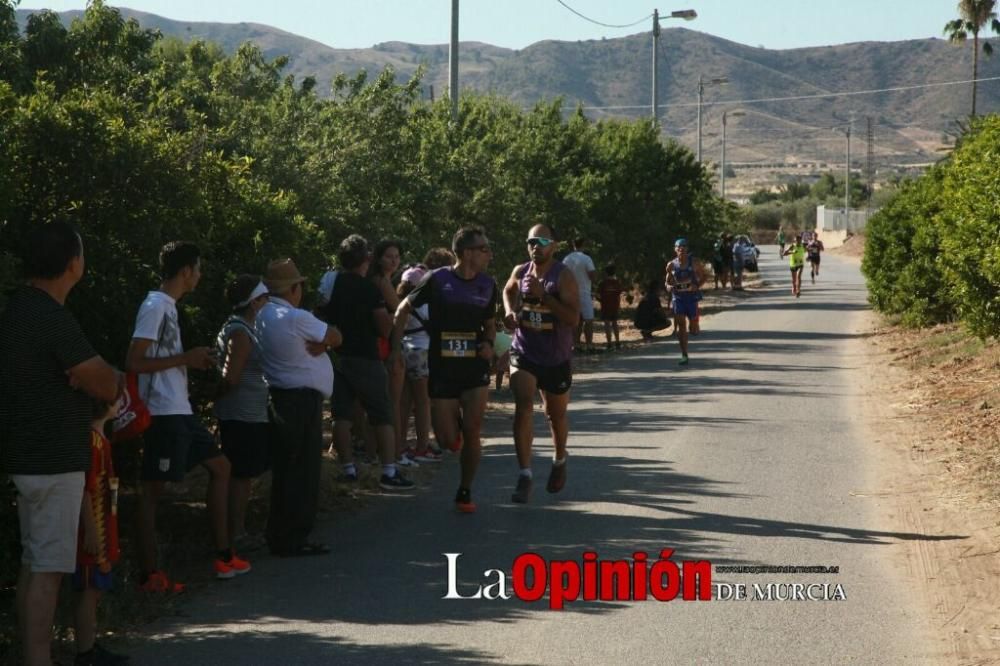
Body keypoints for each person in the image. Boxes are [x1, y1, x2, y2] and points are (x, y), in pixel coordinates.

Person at [0, 221, 121, 666]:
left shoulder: (19, 309)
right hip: (53, 461)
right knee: (48, 570)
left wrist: (89, 376)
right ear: (74, 264)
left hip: (30, 456)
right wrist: (106, 378)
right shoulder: (50, 316)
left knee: (35, 565)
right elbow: (108, 384)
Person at [126, 242, 248, 588]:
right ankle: (150, 575)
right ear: (185, 271)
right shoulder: (154, 306)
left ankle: (224, 556)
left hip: (180, 409)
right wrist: (185, 359)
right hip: (163, 413)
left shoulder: (169, 307)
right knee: (151, 492)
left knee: (221, 467)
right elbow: (133, 362)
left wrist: (193, 359)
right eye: (197, 269)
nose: (200, 275)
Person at [392, 228, 497, 512]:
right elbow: (402, 308)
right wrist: (395, 349)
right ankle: (456, 438)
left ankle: (465, 491)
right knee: (448, 439)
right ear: (466, 253)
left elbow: (489, 323)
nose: (489, 253)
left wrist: (488, 343)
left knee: (474, 430)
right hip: (443, 369)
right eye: (484, 248)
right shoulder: (437, 280)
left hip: (474, 368)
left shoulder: (488, 284)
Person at [257, 258, 343, 556]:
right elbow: (334, 335)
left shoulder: (264, 315)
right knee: (303, 470)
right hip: (301, 399)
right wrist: (328, 343)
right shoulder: (296, 317)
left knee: (287, 468)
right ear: (294, 289)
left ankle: (280, 533)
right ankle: (294, 536)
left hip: (280, 396)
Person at [322, 235, 414, 490]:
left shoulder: (333, 283)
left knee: (341, 414)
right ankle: (388, 471)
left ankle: (348, 469)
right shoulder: (369, 289)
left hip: (339, 355)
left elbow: (322, 312)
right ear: (367, 259)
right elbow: (384, 327)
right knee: (382, 413)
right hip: (365, 356)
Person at [503, 224, 579, 504]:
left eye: (542, 241)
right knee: (523, 405)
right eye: (531, 241)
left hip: (555, 356)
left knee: (554, 415)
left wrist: (544, 296)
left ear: (554, 246)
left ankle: (559, 459)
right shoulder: (520, 271)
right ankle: (525, 474)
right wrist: (510, 312)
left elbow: (572, 319)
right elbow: (508, 290)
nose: (536, 246)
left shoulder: (564, 276)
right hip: (524, 350)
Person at [214, 275, 271, 553]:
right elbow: (231, 376)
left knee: (243, 475)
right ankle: (236, 533)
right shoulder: (239, 332)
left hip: (246, 413)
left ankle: (237, 530)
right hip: (241, 415)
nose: (267, 302)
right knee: (240, 476)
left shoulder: (244, 327)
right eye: (263, 298)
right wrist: (218, 400)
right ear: (253, 302)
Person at [73, 398, 128, 666]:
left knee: (96, 591)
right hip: (93, 533)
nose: (121, 401)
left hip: (106, 528)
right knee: (90, 590)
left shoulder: (101, 440)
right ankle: (85, 652)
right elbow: (85, 488)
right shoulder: (92, 442)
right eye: (117, 396)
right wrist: (92, 531)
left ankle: (90, 645)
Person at [395, 248, 456, 464]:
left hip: (405, 351)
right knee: (423, 403)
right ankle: (422, 446)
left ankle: (400, 445)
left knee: (404, 402)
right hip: (422, 352)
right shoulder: (425, 304)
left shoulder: (400, 303)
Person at [369, 240, 412, 467]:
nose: (394, 260)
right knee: (391, 402)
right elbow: (399, 307)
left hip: (385, 342)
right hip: (384, 344)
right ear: (378, 258)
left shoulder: (383, 279)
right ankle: (394, 453)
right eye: (389, 256)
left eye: (397, 256)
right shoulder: (381, 281)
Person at [665, 238, 705, 365]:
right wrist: (669, 287)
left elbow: (704, 276)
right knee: (681, 326)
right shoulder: (671, 265)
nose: (681, 250)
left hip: (691, 297)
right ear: (675, 249)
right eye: (678, 248)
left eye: (683, 247)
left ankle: (695, 322)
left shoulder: (694, 263)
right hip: (678, 298)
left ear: (687, 249)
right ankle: (684, 354)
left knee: (693, 330)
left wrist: (696, 286)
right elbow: (667, 281)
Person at [562, 237, 597, 353]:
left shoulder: (566, 259)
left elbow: (562, 275)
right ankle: (589, 345)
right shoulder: (586, 258)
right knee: (589, 320)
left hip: (571, 293)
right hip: (584, 292)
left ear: (573, 245)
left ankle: (575, 344)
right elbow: (592, 274)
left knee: (576, 320)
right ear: (583, 245)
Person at [597, 264, 623, 350]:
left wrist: (600, 300)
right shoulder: (617, 283)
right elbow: (619, 295)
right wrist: (619, 306)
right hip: (614, 305)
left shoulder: (602, 283)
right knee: (615, 324)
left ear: (605, 273)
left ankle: (609, 343)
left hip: (605, 306)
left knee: (607, 324)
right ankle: (617, 342)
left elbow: (598, 295)